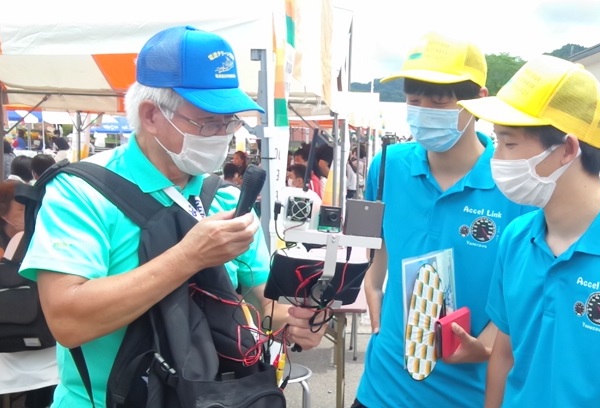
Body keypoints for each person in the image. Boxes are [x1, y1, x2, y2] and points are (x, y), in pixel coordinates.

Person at [18, 26, 325, 408]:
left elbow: (263, 304)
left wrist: (296, 320)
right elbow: (67, 321)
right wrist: (188, 256)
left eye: (230, 122)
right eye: (208, 122)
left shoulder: (226, 199)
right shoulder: (82, 192)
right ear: (151, 115)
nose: (223, 135)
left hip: (210, 397)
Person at [458, 54, 600, 407]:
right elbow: (504, 354)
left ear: (567, 149)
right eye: (497, 141)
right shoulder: (517, 238)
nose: (496, 158)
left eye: (509, 144)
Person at [352, 32, 532, 408]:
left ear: (478, 100)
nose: (424, 111)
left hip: (466, 391)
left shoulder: (515, 186)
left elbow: (525, 290)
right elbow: (377, 243)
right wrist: (372, 284)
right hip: (382, 386)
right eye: (414, 100)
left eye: (439, 101)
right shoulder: (386, 166)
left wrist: (486, 344)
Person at [0, 179, 58, 408]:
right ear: (4, 215)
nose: (29, 213)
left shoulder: (44, 238)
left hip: (45, 345)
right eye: (21, 209)